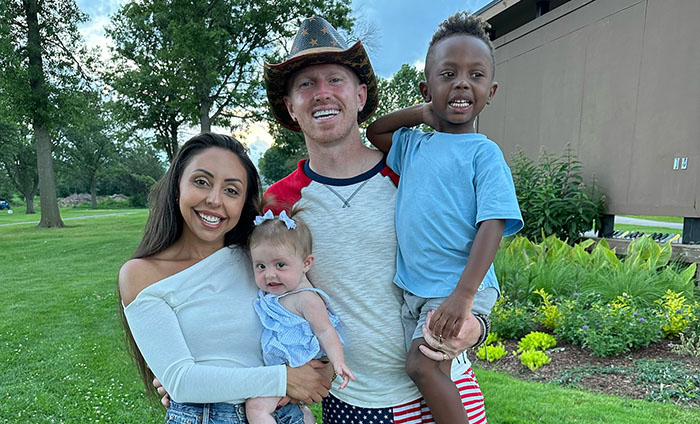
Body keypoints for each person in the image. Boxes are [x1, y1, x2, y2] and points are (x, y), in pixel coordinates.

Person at [261, 16, 489, 423]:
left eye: (335, 79)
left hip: (446, 381)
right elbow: (262, 295)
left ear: (361, 95)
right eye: (306, 85)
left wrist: (479, 323)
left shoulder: (412, 171)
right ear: (290, 108)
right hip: (355, 401)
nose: (322, 93)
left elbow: (475, 247)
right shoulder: (279, 202)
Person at [365, 12, 523, 424]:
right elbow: (376, 132)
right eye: (447, 74)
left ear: (491, 90)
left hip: (455, 288)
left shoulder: (483, 154)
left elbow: (494, 223)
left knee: (423, 366)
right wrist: (420, 114)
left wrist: (464, 296)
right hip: (417, 288)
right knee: (433, 374)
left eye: (475, 75)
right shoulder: (415, 145)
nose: (461, 83)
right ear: (426, 87)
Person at [118, 133, 330, 424]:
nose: (214, 200)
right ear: (177, 185)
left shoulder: (257, 262)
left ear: (244, 203)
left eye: (231, 191)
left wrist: (315, 372)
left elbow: (314, 321)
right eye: (201, 182)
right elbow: (182, 381)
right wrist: (283, 379)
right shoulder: (142, 274)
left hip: (281, 415)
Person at [245, 209, 354, 424]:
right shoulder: (273, 296)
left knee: (256, 407)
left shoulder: (306, 299)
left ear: (306, 263)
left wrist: (338, 362)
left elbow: (325, 331)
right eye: (260, 266)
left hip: (298, 370)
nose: (270, 274)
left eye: (280, 265)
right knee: (293, 409)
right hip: (283, 373)